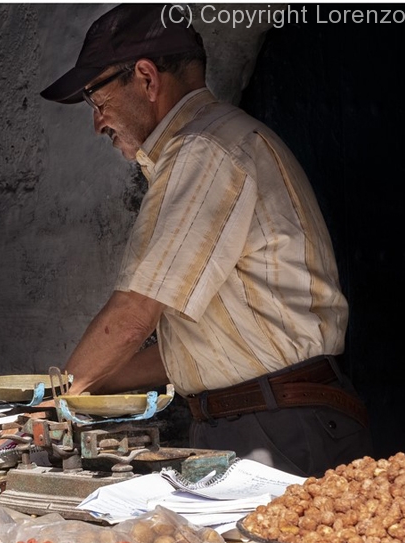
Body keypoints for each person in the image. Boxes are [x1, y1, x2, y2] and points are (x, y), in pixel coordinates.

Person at [40, 4, 371, 477]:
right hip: (257, 418)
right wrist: (85, 386)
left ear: (147, 78)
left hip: (279, 425)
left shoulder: (204, 151)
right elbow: (193, 349)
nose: (98, 123)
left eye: (98, 101)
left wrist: (54, 402)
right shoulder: (209, 148)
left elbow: (134, 316)